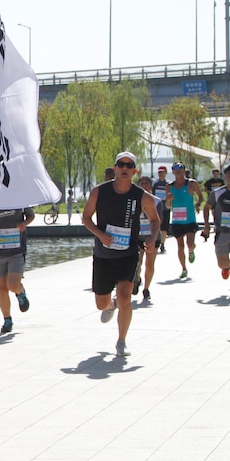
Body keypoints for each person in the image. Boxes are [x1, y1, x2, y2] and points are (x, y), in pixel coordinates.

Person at [81, 151, 160, 357]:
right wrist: (100, 234)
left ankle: (121, 341)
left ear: (134, 171)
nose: (125, 168)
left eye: (129, 165)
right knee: (101, 304)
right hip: (103, 255)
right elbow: (86, 218)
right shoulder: (99, 192)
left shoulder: (142, 196)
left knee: (126, 296)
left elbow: (155, 219)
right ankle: (111, 304)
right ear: (115, 168)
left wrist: (152, 238)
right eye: (121, 165)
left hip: (128, 254)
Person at [165, 161, 203, 278]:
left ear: (184, 171)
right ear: (173, 172)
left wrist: (198, 204)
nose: (178, 172)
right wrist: (169, 200)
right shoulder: (169, 187)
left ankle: (191, 251)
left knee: (190, 243)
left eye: (180, 169)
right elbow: (167, 206)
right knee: (180, 246)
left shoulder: (191, 184)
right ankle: (184, 268)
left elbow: (201, 196)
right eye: (176, 170)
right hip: (177, 220)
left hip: (190, 219)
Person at [135, 175, 163, 302]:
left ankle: (146, 288)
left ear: (151, 186)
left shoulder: (156, 201)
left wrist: (153, 237)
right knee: (137, 262)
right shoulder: (134, 200)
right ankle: (137, 279)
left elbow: (159, 220)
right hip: (137, 236)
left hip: (152, 236)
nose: (144, 185)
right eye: (141, 183)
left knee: (149, 263)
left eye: (146, 183)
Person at [202, 163, 230, 280]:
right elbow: (206, 207)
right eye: (229, 174)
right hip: (222, 231)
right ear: (225, 176)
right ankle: (226, 267)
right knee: (221, 263)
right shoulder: (217, 193)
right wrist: (207, 225)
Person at [201, 166, 226, 240]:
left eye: (217, 173)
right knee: (214, 211)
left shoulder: (221, 181)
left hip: (221, 199)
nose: (216, 174)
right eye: (215, 173)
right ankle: (216, 223)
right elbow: (205, 189)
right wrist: (210, 192)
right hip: (213, 198)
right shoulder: (210, 181)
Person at [151, 165, 170, 253]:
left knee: (164, 227)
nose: (161, 174)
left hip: (166, 208)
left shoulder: (168, 184)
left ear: (166, 173)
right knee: (156, 224)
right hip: (156, 207)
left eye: (162, 172)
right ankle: (155, 241)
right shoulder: (154, 183)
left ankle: (162, 244)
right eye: (159, 172)